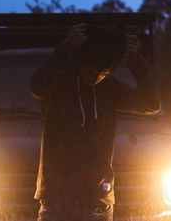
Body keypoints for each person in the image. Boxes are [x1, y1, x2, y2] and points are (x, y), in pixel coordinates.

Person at [29, 23, 161, 221]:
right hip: (58, 202)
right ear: (81, 61)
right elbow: (36, 87)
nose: (97, 76)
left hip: (98, 202)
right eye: (92, 70)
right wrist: (67, 47)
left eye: (104, 73)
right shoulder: (60, 84)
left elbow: (151, 104)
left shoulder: (109, 89)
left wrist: (136, 60)